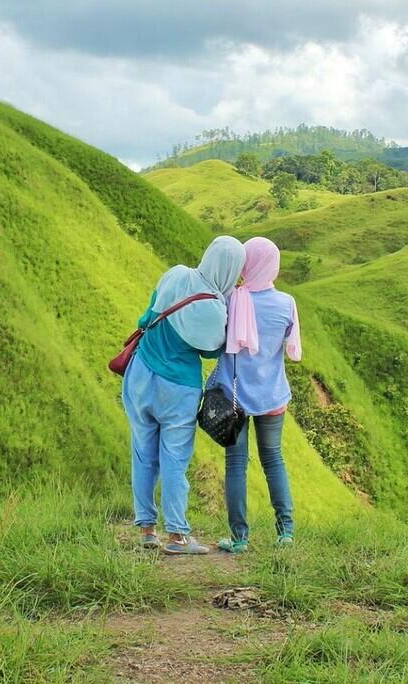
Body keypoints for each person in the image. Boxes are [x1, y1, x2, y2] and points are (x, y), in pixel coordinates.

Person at [122, 235, 245, 555]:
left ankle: (147, 530)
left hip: (140, 374)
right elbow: (210, 351)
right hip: (178, 389)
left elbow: (145, 318)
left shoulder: (175, 274)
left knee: (142, 453)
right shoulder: (216, 311)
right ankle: (176, 536)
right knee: (174, 461)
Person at [207, 236, 301, 552]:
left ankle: (239, 539)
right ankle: (285, 532)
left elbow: (215, 340)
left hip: (233, 399)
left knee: (236, 464)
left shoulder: (231, 298)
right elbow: (290, 348)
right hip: (273, 396)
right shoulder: (287, 303)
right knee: (274, 459)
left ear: (245, 264)